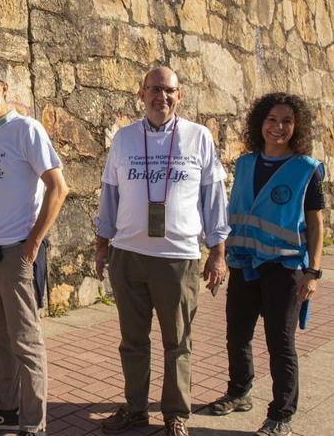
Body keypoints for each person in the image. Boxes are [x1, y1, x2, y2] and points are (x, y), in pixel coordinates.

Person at [95, 66, 229, 436]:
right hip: (128, 255)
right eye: (154, 89)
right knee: (133, 340)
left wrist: (217, 251)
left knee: (177, 341)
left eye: (169, 91)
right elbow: (109, 195)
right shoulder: (123, 139)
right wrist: (101, 246)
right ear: (141, 94)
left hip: (178, 258)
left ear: (179, 95)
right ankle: (136, 408)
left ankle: (175, 413)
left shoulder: (198, 137)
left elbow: (213, 197)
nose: (161, 97)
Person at [0, 55, 68, 436]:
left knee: (27, 344)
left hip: (14, 254)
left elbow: (59, 187)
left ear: (4, 87)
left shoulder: (27, 129)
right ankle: (5, 409)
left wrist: (34, 242)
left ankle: (33, 425)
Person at [207, 93, 324, 436]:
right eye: (272, 119)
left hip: (285, 268)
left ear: (296, 126)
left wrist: (313, 271)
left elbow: (315, 223)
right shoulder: (244, 164)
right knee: (237, 334)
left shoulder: (306, 169)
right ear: (260, 123)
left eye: (287, 121)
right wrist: (222, 256)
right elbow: (234, 214)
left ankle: (281, 415)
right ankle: (239, 391)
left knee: (280, 341)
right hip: (244, 263)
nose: (279, 127)